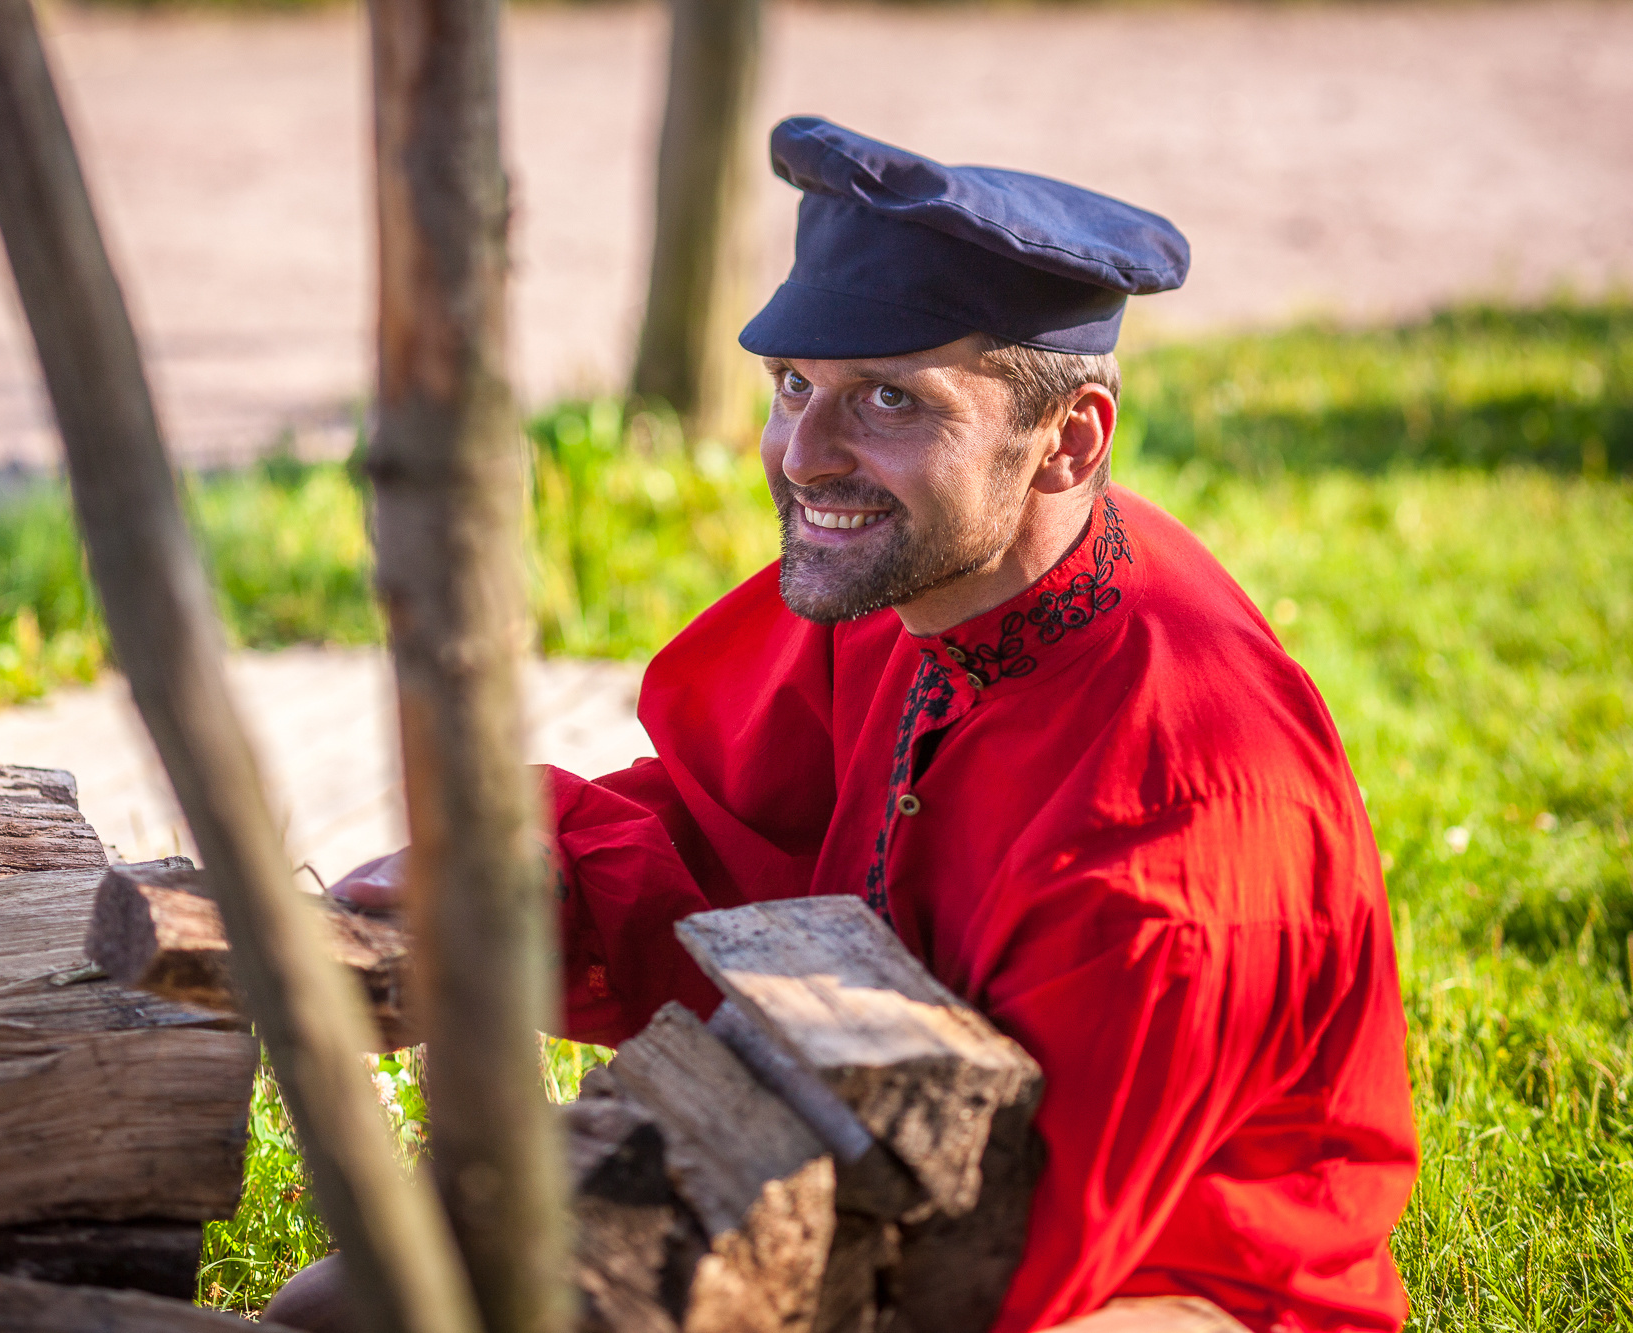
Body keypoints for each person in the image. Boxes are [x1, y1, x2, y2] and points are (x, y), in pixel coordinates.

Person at [270, 117, 1417, 1333]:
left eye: (888, 399)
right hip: (853, 1137)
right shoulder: (913, 575)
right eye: (791, 387)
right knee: (336, 1309)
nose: (801, 458)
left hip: (1149, 1280)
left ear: (1065, 441)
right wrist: (518, 886)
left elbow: (1016, 1258)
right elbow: (729, 840)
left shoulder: (1166, 836)